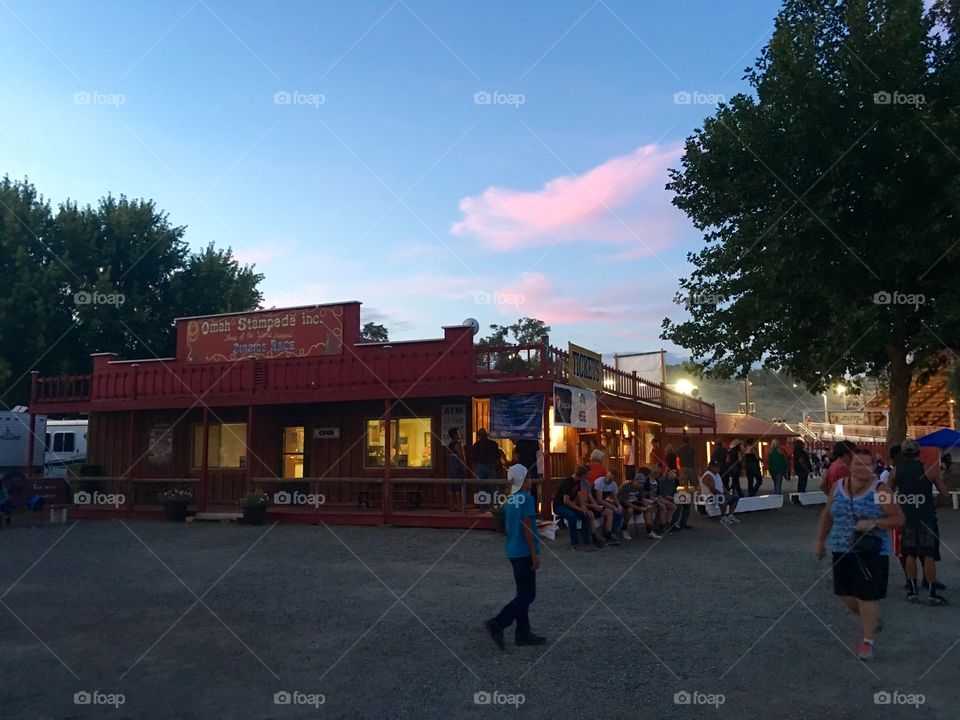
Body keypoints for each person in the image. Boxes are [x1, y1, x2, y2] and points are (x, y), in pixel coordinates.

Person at [815, 450, 904, 661]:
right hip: (841, 548)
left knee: (866, 596)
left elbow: (898, 519)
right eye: (857, 464)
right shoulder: (838, 487)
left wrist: (874, 523)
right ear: (850, 465)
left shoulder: (881, 490)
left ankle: (868, 642)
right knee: (843, 594)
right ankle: (871, 620)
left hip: (871, 551)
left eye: (866, 464)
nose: (861, 468)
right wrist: (820, 540)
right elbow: (827, 514)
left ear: (873, 467)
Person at [485, 464, 546, 649]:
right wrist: (534, 553)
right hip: (523, 551)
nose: (530, 481)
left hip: (512, 549)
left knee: (523, 593)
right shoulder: (526, 499)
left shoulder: (511, 499)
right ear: (523, 480)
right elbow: (527, 527)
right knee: (528, 594)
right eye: (528, 478)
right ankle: (498, 623)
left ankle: (523, 632)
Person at [888, 439, 949, 605]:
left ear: (902, 453)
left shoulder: (895, 471)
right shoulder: (929, 469)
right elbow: (944, 494)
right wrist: (934, 505)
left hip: (906, 516)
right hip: (926, 515)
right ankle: (931, 592)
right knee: (929, 554)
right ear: (918, 452)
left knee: (910, 553)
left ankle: (912, 591)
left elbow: (886, 494)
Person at [553, 466, 593, 550]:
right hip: (559, 506)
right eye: (587, 474)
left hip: (568, 505)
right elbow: (566, 500)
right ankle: (575, 543)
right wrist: (578, 508)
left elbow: (579, 495)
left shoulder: (578, 482)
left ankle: (586, 541)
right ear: (582, 475)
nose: (588, 476)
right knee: (572, 517)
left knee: (584, 515)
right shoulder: (568, 482)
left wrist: (583, 508)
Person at [581, 467, 617, 547]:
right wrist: (594, 505)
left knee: (611, 512)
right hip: (586, 505)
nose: (589, 475)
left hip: (594, 504)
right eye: (588, 474)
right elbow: (583, 501)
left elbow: (589, 496)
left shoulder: (586, 482)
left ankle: (608, 535)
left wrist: (618, 506)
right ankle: (594, 538)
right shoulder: (598, 482)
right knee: (591, 514)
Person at [617, 471, 656, 538]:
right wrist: (637, 508)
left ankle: (649, 531)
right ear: (635, 480)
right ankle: (624, 529)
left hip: (635, 502)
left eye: (642, 483)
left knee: (647, 509)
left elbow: (642, 498)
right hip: (624, 503)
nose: (640, 484)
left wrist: (646, 505)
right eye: (639, 482)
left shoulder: (641, 487)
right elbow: (625, 501)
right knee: (630, 510)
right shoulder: (626, 487)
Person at [700, 459, 739, 524]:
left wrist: (727, 493)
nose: (718, 468)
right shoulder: (708, 476)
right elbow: (713, 489)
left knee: (735, 498)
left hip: (717, 494)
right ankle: (723, 517)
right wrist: (723, 495)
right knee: (723, 498)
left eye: (718, 466)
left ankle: (730, 515)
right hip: (709, 496)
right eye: (716, 466)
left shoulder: (717, 474)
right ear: (711, 467)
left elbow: (722, 485)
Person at [593, 470, 626, 542]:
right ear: (606, 475)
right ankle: (607, 533)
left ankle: (614, 531)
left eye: (611, 479)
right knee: (612, 510)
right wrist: (613, 507)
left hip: (603, 501)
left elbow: (615, 498)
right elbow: (599, 500)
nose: (608, 480)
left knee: (621, 510)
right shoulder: (599, 482)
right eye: (608, 477)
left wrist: (618, 505)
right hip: (595, 501)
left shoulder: (613, 484)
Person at [472, 429, 500, 507]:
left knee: (481, 487)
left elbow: (474, 458)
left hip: (480, 466)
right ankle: (496, 505)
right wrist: (494, 466)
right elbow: (497, 457)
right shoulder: (493, 444)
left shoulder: (476, 445)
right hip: (490, 466)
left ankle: (483, 506)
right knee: (493, 486)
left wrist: (475, 469)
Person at [645, 466, 675, 536]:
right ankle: (661, 526)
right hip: (649, 499)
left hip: (657, 498)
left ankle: (666, 523)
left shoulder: (656, 481)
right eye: (659, 473)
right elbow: (645, 494)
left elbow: (658, 493)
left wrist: (661, 499)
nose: (660, 475)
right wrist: (657, 499)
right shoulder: (647, 481)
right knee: (662, 507)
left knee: (672, 506)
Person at [447, 428, 467, 512]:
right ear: (455, 435)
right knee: (459, 487)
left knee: (452, 488)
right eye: (458, 433)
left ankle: (452, 506)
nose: (459, 435)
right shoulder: (458, 444)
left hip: (451, 466)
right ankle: (459, 506)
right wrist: (465, 466)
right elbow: (461, 455)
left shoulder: (450, 444)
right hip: (458, 466)